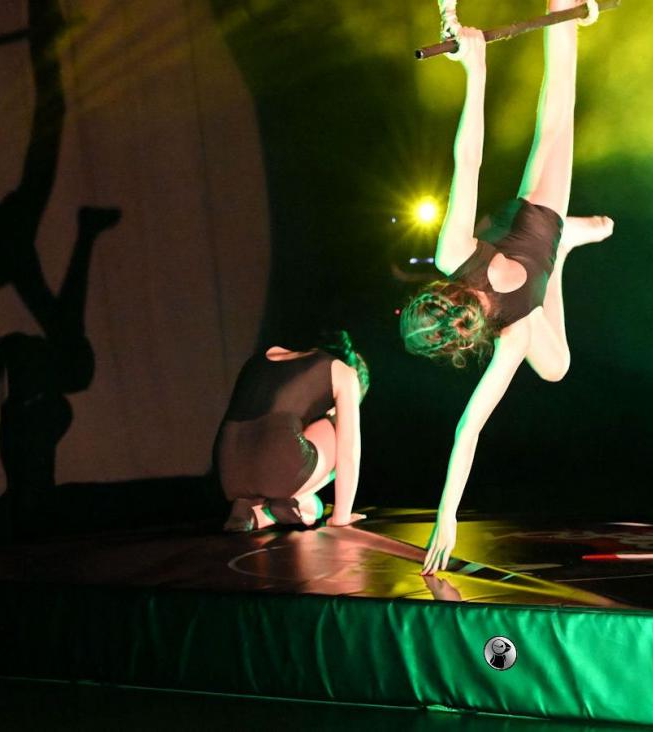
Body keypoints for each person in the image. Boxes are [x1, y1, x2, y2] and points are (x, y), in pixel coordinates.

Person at [400, 1, 613, 574]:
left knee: (559, 104)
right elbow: (465, 160)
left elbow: (468, 428)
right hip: (534, 233)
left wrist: (447, 517)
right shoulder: (452, 258)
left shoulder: (508, 335)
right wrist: (476, 72)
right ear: (436, 295)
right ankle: (563, 248)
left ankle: (563, 245)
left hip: (538, 220)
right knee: (556, 367)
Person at [213, 333, 368, 532]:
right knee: (339, 429)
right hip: (280, 466)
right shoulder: (346, 374)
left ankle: (252, 510)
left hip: (227, 469)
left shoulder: (268, 354)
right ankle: (293, 500)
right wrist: (341, 517)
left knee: (314, 508)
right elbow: (349, 453)